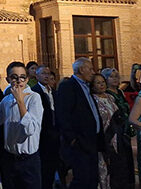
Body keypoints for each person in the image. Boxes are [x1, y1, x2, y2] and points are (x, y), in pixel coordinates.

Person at [0, 61, 42, 189]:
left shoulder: (34, 98)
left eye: (22, 77)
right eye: (14, 77)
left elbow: (30, 129)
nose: (19, 81)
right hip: (10, 159)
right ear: (8, 79)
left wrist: (20, 101)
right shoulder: (7, 100)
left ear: (27, 79)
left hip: (28, 160)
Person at [56, 58, 103, 189]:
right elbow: (63, 114)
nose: (93, 72)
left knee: (92, 179)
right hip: (79, 143)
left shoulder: (87, 87)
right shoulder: (68, 86)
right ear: (81, 69)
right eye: (90, 69)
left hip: (91, 141)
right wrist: (72, 139)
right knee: (82, 180)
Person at [99, 68, 135, 188]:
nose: (115, 79)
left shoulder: (120, 92)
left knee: (127, 156)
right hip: (115, 128)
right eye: (112, 77)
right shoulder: (107, 95)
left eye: (116, 77)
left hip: (125, 126)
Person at [30, 65, 59, 189]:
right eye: (43, 73)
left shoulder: (53, 92)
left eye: (48, 73)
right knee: (44, 169)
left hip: (55, 135)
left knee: (53, 167)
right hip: (43, 136)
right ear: (37, 76)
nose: (46, 76)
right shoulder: (34, 91)